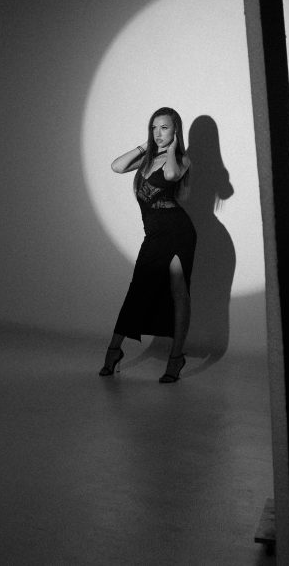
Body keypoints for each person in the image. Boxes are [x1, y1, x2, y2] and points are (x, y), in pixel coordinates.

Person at [100, 107, 196, 383]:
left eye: (164, 128)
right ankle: (113, 351)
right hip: (154, 235)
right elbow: (117, 166)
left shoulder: (182, 159)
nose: (158, 133)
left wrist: (172, 148)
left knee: (179, 293)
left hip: (178, 233)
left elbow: (170, 177)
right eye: (154, 127)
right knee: (137, 290)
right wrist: (146, 146)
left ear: (175, 129)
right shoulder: (146, 159)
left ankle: (175, 359)